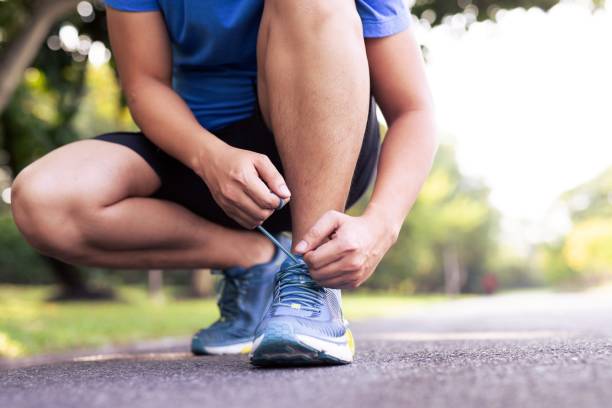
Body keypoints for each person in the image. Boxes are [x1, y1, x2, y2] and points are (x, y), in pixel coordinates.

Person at [10, 0, 436, 366]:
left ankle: (310, 287)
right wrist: (210, 158)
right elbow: (144, 85)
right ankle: (252, 259)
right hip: (199, 151)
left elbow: (412, 110)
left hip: (322, 148)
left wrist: (381, 225)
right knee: (43, 200)